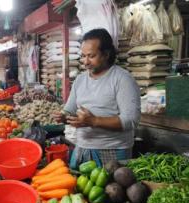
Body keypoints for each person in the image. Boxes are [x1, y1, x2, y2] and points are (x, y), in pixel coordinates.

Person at [55, 28, 141, 169]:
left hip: (113, 151)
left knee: (111, 190)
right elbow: (69, 109)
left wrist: (93, 121)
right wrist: (64, 116)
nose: (85, 62)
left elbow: (131, 120)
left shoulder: (122, 79)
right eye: (83, 56)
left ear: (106, 54)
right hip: (82, 148)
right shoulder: (80, 80)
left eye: (91, 56)